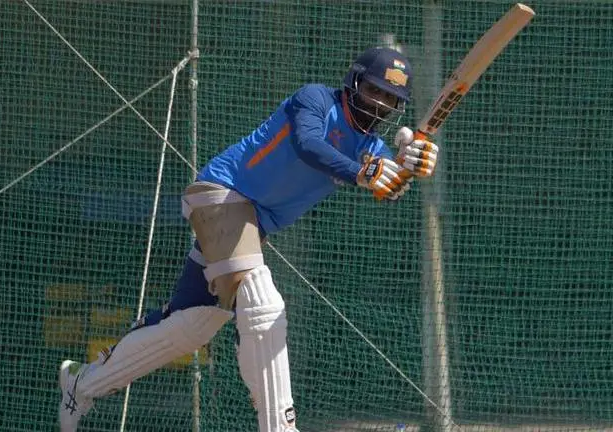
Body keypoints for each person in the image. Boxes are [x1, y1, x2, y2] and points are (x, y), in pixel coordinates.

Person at [58, 46, 438, 432]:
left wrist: (410, 165)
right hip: (221, 193)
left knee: (193, 324)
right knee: (263, 303)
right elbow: (309, 145)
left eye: (391, 99)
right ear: (353, 83)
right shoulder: (316, 99)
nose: (380, 104)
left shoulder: (371, 148)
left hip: (253, 225)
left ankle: (82, 383)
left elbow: (386, 185)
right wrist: (363, 173)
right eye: (375, 91)